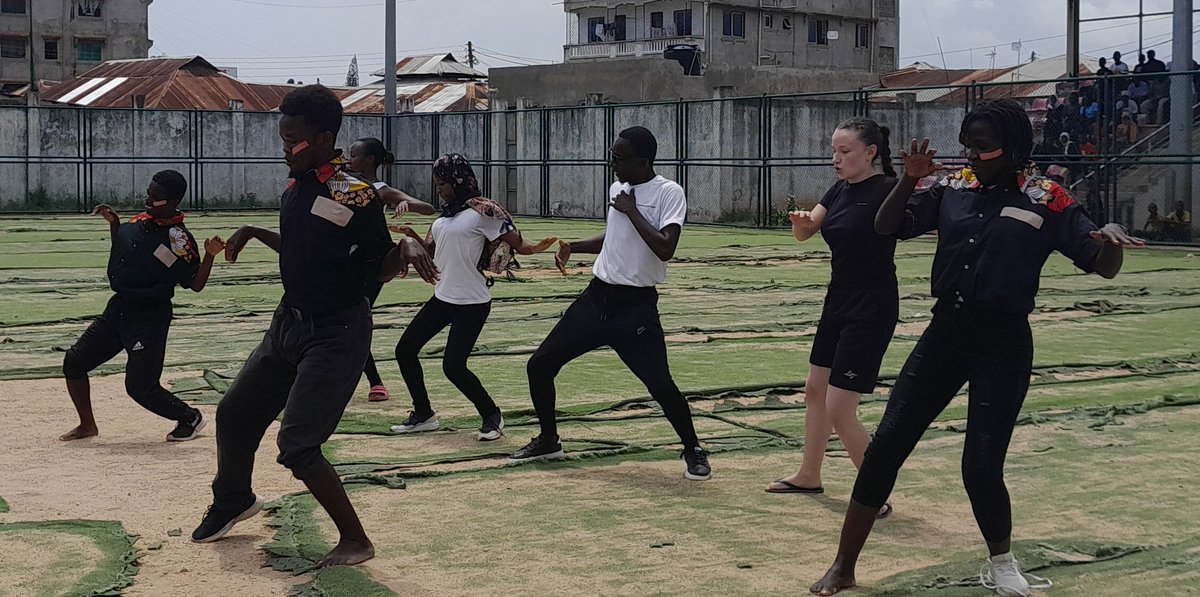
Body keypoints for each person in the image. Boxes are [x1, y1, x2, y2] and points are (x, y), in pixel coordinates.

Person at [809, 99, 1144, 597]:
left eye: (982, 148)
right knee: (885, 448)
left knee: (981, 464)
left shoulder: (1046, 197)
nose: (971, 155)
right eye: (967, 145)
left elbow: (1100, 262)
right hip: (946, 333)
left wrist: (1112, 240)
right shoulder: (952, 186)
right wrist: (908, 178)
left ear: (1013, 150)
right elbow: (888, 227)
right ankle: (843, 565)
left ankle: (1004, 563)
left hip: (1003, 341)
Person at [190, 85, 438, 568]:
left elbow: (374, 269)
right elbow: (307, 248)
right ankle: (233, 500)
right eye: (283, 139)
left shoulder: (357, 195)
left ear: (324, 138)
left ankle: (355, 540)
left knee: (298, 445)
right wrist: (257, 232)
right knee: (234, 413)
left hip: (337, 333)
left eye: (293, 140)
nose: (285, 148)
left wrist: (403, 248)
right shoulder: (296, 184)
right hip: (288, 325)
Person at [508, 126, 712, 481]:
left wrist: (633, 210)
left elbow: (665, 246)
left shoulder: (668, 192)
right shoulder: (619, 188)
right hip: (596, 298)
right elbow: (616, 235)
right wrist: (576, 245)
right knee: (540, 365)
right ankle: (549, 439)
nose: (612, 164)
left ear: (643, 161)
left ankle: (693, 448)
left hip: (635, 308)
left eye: (618, 158)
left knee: (660, 384)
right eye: (611, 155)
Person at [763, 117, 899, 520]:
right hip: (837, 298)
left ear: (870, 153)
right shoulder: (838, 189)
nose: (836, 160)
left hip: (872, 305)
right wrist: (801, 224)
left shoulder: (888, 190)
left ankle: (874, 492)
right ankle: (809, 474)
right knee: (815, 390)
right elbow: (807, 232)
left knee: (841, 407)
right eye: (833, 152)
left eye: (844, 152)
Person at [388, 154, 556, 441]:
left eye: (443, 183)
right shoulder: (446, 215)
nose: (439, 189)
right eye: (437, 183)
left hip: (472, 302)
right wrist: (410, 236)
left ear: (459, 180)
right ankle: (423, 414)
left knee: (453, 365)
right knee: (405, 350)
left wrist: (547, 248)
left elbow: (520, 245)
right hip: (443, 298)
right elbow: (430, 252)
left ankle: (492, 414)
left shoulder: (484, 212)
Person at [60, 171, 223, 443]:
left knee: (139, 387)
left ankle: (189, 417)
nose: (148, 200)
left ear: (172, 201)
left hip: (149, 316)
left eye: (156, 198)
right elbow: (126, 251)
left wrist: (209, 256)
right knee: (74, 362)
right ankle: (87, 425)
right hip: (119, 309)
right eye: (148, 193)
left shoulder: (178, 239)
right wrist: (114, 223)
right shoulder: (139, 221)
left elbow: (194, 284)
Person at [348, 137, 436, 402]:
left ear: (370, 160)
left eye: (354, 155)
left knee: (353, 323)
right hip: (347, 260)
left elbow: (428, 208)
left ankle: (376, 382)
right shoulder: (345, 185)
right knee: (349, 324)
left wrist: (406, 203)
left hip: (371, 264)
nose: (349, 160)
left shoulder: (379, 190)